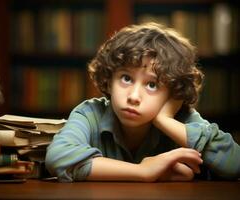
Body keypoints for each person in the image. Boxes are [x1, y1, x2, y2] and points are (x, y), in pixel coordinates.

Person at [45, 22, 240, 182]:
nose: (134, 96)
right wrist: (143, 171)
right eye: (126, 78)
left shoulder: (182, 120)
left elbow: (236, 164)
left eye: (152, 85)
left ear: (173, 95)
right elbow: (59, 158)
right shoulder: (89, 114)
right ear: (109, 80)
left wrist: (164, 120)